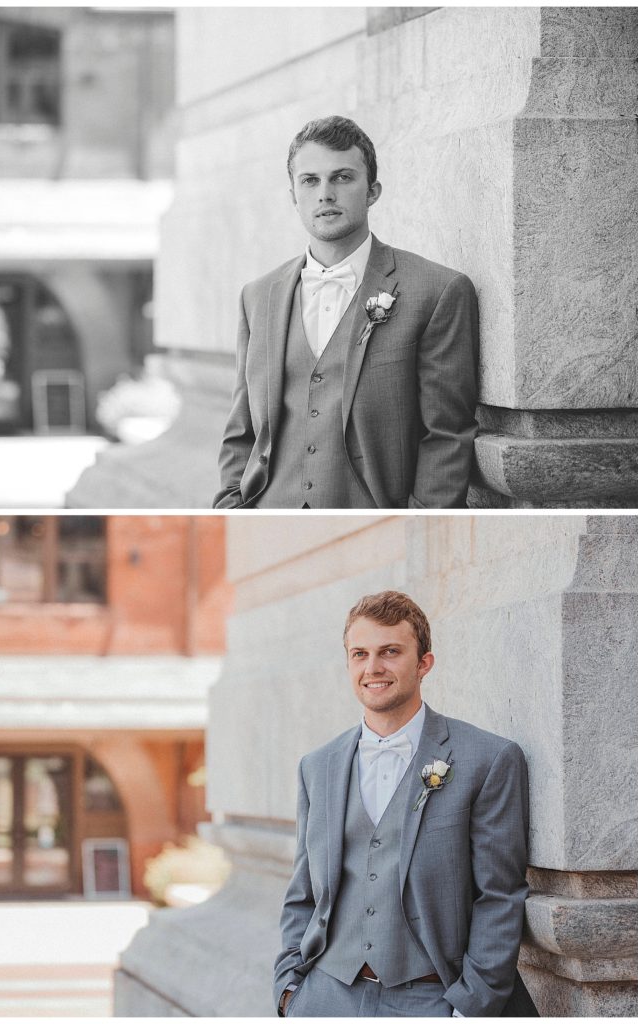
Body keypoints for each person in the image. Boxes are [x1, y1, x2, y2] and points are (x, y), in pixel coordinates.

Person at [273, 590, 534, 1017]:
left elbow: (500, 896)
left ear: (424, 663)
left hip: (431, 999)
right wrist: (289, 992)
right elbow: (302, 892)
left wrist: (470, 1008)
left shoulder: (487, 760)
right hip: (326, 997)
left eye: (390, 652)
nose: (373, 667)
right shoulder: (317, 767)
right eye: (360, 654)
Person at [213, 116, 479, 510]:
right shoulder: (257, 297)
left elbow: (447, 435)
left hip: (375, 525)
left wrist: (419, 532)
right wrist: (230, 513)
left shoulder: (436, 291)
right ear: (293, 196)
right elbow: (241, 430)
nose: (325, 194)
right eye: (310, 180)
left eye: (342, 177)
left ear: (372, 191)